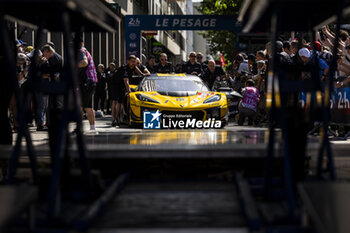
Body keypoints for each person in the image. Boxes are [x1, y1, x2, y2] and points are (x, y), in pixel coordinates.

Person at [77, 39, 98, 134]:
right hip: (90, 81)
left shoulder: (80, 51)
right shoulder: (85, 50)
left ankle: (89, 128)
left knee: (85, 106)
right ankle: (91, 127)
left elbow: (84, 63)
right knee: (85, 105)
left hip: (86, 82)